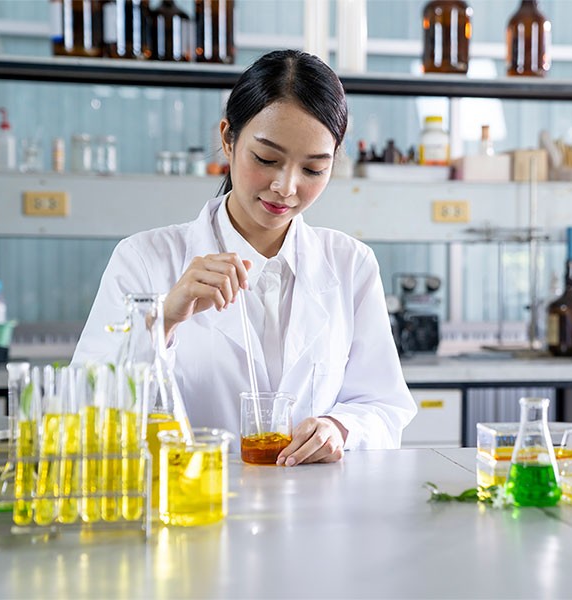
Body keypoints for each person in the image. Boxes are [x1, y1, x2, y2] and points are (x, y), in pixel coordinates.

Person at [73, 49, 416, 466]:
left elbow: (383, 406)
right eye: (266, 159)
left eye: (312, 170)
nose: (286, 187)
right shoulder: (144, 260)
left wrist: (340, 428)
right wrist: (162, 320)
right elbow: (85, 407)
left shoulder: (350, 263)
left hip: (314, 515)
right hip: (190, 506)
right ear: (228, 139)